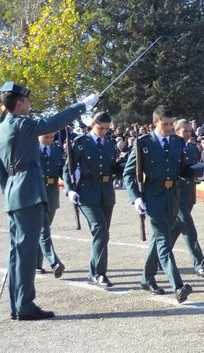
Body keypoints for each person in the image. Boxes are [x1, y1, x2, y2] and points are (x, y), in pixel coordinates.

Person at [0, 81, 98, 320]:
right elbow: (53, 123)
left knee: (17, 252)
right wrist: (83, 105)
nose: (29, 105)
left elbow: (0, 174)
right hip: (29, 193)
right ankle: (25, 306)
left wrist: (10, 196)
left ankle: (16, 305)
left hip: (13, 196)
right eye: (27, 101)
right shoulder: (23, 124)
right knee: (27, 253)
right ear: (19, 104)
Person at [123, 105, 194, 303]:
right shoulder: (143, 143)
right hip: (153, 196)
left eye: (172, 124)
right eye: (165, 124)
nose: (169, 128)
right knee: (163, 240)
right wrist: (135, 197)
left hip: (173, 195)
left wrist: (200, 172)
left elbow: (183, 169)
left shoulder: (177, 143)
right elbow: (128, 173)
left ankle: (146, 278)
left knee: (160, 238)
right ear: (155, 123)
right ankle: (178, 286)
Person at [63, 112, 118, 288]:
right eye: (101, 128)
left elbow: (112, 166)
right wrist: (69, 190)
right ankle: (99, 273)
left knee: (103, 234)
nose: (103, 132)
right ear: (92, 124)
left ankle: (93, 272)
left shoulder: (110, 142)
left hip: (107, 192)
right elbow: (68, 167)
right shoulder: (81, 143)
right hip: (87, 193)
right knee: (100, 230)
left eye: (107, 129)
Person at [172, 119, 204, 278]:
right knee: (189, 229)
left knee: (175, 229)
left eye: (189, 130)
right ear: (177, 131)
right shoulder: (173, 147)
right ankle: (199, 263)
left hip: (189, 193)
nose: (188, 134)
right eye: (185, 131)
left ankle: (157, 258)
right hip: (177, 193)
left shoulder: (193, 148)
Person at [35, 132, 65, 278]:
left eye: (52, 137)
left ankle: (36, 264)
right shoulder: (30, 148)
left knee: (42, 230)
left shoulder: (57, 148)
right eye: (46, 137)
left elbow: (62, 170)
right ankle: (54, 262)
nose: (49, 140)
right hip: (36, 193)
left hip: (52, 193)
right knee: (43, 229)